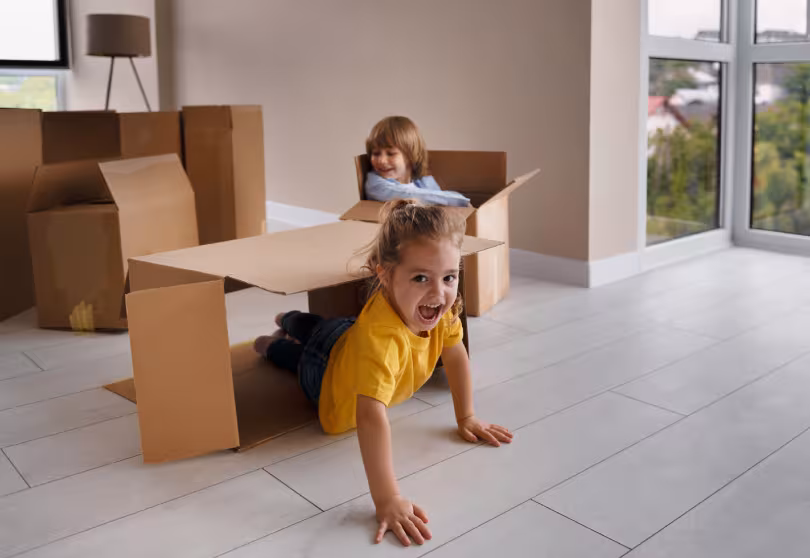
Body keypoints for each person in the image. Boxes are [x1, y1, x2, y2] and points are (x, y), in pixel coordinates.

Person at [254, 199, 512, 546]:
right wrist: (387, 498)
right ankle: (272, 341)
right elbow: (370, 415)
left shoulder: (441, 308)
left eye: (449, 277)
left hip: (348, 336)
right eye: (421, 277)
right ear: (385, 275)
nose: (439, 293)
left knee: (327, 328)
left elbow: (455, 354)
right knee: (303, 352)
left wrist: (466, 416)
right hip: (326, 372)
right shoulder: (380, 341)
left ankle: (289, 319)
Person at [364, 116, 471, 207]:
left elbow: (438, 201)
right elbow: (408, 194)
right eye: (376, 153)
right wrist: (460, 200)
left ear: (410, 156)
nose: (381, 160)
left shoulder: (422, 181)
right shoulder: (375, 184)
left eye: (390, 154)